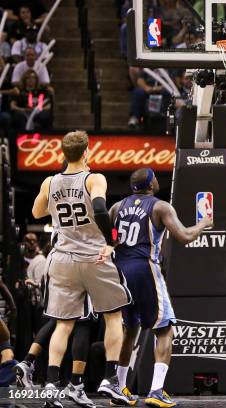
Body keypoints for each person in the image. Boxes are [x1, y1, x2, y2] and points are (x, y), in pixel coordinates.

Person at [31, 131, 132, 407]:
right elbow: (100, 207)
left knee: (63, 325)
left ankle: (51, 384)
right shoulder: (94, 178)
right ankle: (110, 379)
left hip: (62, 259)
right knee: (113, 317)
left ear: (63, 154)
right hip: (93, 257)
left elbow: (36, 213)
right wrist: (110, 240)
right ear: (86, 152)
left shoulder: (50, 182)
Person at [110, 168, 212, 407]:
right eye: (154, 177)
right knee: (165, 330)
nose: (157, 179)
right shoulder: (160, 206)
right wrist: (203, 224)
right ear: (150, 183)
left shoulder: (116, 207)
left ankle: (120, 389)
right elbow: (185, 236)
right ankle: (156, 390)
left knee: (130, 331)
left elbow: (111, 237)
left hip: (120, 271)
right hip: (145, 268)